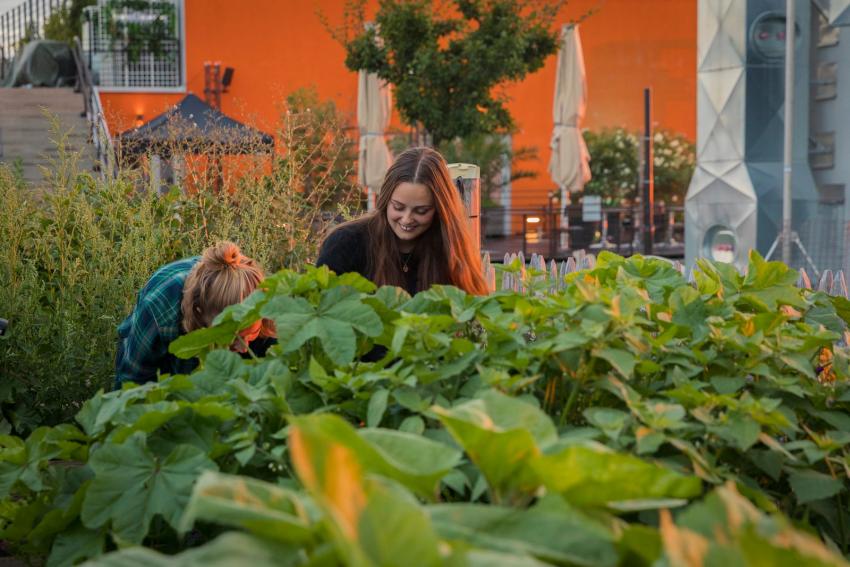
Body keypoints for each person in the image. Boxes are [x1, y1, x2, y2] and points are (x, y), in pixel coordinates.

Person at [316, 147, 489, 296]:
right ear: (384, 200)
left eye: (421, 211)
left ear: (440, 209)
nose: (406, 219)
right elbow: (321, 304)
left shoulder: (451, 247)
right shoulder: (346, 243)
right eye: (398, 207)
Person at [114, 241, 274, 388]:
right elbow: (132, 382)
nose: (244, 348)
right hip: (164, 344)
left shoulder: (262, 298)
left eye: (251, 333)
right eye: (233, 339)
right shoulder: (160, 306)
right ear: (200, 312)